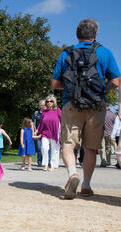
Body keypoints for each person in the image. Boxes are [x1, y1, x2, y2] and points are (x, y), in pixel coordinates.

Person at [51, 18, 120, 199]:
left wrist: (71, 87)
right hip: (97, 105)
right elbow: (115, 81)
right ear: (95, 34)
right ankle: (87, 185)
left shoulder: (66, 53)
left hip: (71, 104)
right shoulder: (104, 52)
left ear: (77, 35)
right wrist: (101, 90)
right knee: (91, 147)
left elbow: (54, 83)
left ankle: (73, 174)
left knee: (68, 144)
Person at [37, 95, 61, 171]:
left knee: (54, 149)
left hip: (54, 132)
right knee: (44, 148)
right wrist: (37, 131)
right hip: (45, 132)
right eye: (47, 101)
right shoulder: (44, 111)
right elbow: (41, 123)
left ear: (54, 102)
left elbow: (63, 121)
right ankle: (45, 164)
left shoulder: (58, 111)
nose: (49, 103)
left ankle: (53, 165)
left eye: (51, 101)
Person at [32, 100, 50, 166]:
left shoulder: (49, 113)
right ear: (40, 106)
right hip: (38, 132)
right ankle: (40, 161)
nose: (46, 106)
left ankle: (48, 161)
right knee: (39, 148)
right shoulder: (36, 113)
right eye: (44, 105)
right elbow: (33, 123)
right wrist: (33, 131)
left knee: (47, 148)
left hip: (47, 132)